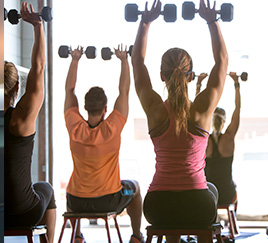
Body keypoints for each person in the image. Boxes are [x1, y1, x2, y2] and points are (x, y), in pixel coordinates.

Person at [131, 0, 228, 242]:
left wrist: (145, 22)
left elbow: (137, 62)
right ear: (191, 75)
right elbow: (222, 62)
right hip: (197, 204)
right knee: (211, 191)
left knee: (182, 204)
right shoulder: (202, 110)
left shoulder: (154, 109)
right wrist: (212, 21)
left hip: (157, 206)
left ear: (161, 75)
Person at [64, 45, 144, 243]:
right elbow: (124, 91)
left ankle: (77, 236)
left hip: (77, 202)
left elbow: (69, 90)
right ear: (106, 108)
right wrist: (124, 60)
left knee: (70, 192)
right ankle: (135, 236)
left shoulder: (74, 126)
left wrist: (75, 60)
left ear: (84, 107)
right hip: (108, 200)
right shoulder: (112, 128)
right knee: (134, 188)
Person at [4, 3, 56, 243]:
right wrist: (38, 26)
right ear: (16, 87)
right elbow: (39, 68)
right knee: (46, 188)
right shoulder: (20, 120)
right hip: (21, 211)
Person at [196, 72, 241, 208]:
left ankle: (211, 220)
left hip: (209, 194)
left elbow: (197, 110)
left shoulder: (204, 138)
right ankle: (232, 223)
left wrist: (199, 84)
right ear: (224, 121)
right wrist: (236, 84)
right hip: (227, 194)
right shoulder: (229, 137)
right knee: (234, 188)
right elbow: (237, 109)